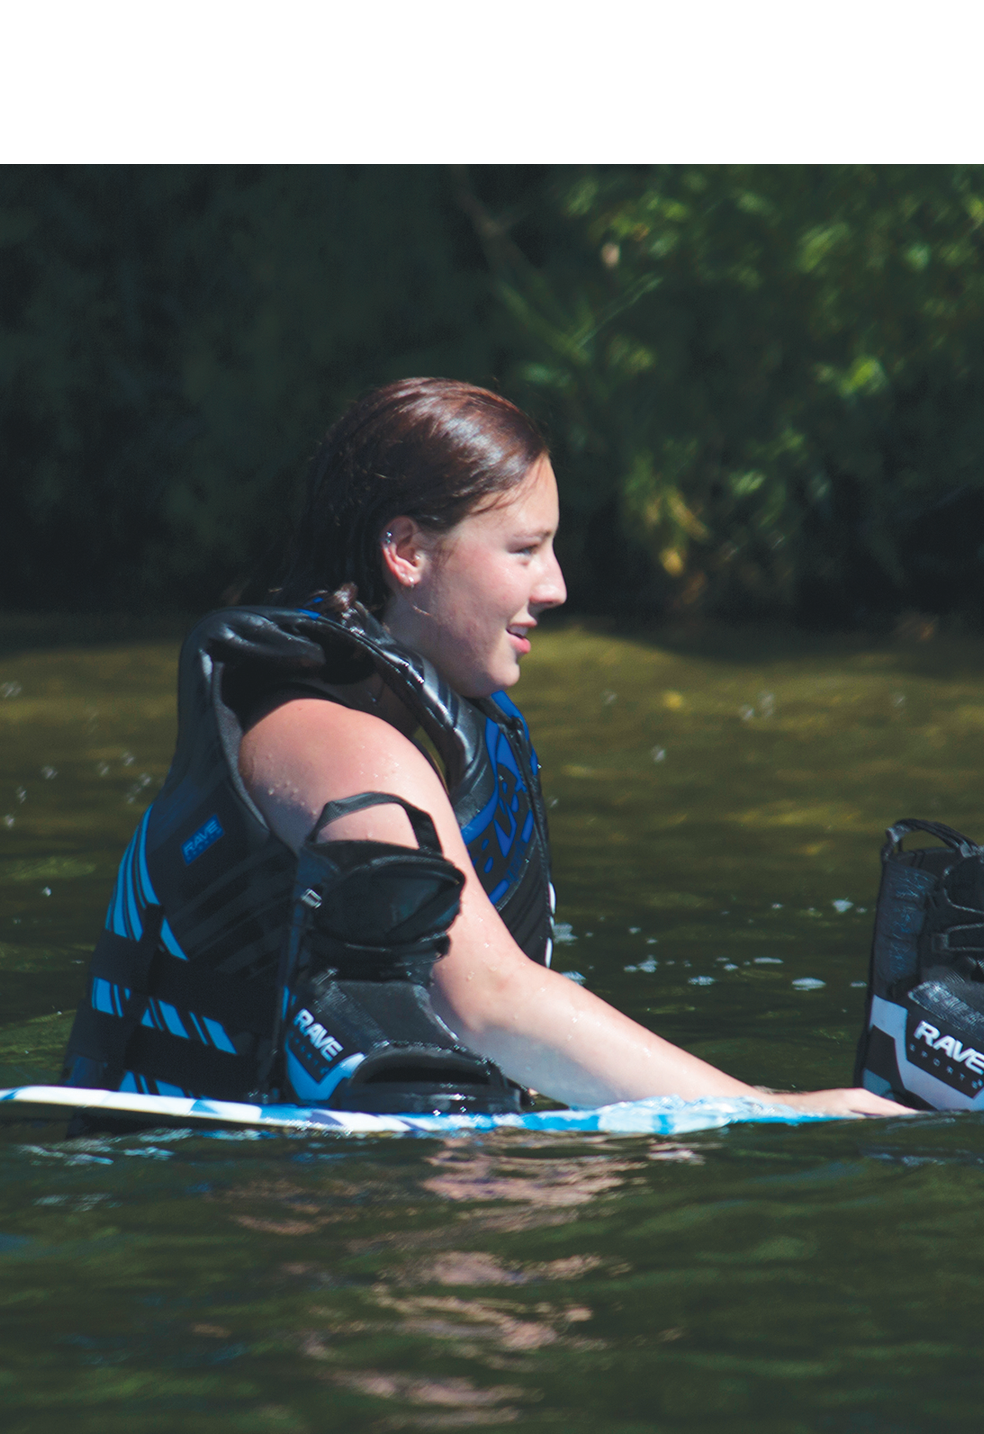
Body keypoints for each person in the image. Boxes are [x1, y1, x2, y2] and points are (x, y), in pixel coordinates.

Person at [60, 377, 908, 1120]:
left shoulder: (382, 729)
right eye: (524, 550)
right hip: (220, 1189)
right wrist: (765, 1109)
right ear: (407, 552)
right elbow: (486, 1001)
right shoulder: (333, 744)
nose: (557, 585)